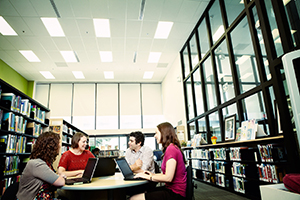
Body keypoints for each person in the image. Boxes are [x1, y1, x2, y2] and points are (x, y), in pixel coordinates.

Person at [131, 122, 187, 200]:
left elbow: (168, 178)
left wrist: (148, 176)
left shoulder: (171, 149)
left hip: (175, 194)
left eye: (156, 133)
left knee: (134, 198)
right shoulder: (171, 148)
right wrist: (152, 175)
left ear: (164, 133)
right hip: (171, 189)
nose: (155, 136)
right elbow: (165, 174)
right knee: (145, 192)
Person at [16, 131, 66, 200]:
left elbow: (53, 179)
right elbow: (61, 182)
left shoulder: (46, 163)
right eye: (58, 143)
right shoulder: (36, 164)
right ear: (50, 146)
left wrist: (59, 177)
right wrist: (60, 177)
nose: (60, 145)